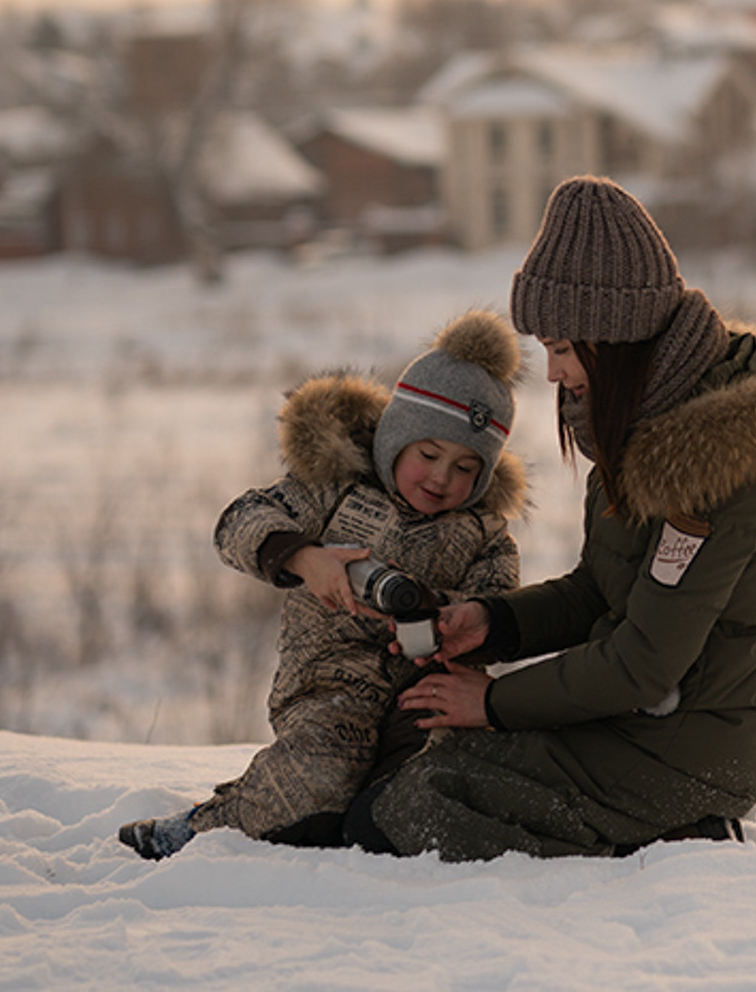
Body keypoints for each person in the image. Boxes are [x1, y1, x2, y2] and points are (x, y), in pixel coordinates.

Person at [346, 175, 756, 861]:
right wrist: (493, 624)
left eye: (563, 348)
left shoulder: (715, 465)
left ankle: (676, 837)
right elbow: (601, 590)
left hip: (693, 749)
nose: (555, 374)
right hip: (639, 721)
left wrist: (493, 703)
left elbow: (644, 664)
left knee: (410, 810)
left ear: (615, 338)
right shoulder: (645, 423)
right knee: (408, 774)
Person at [116, 309, 530, 858]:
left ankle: (365, 818)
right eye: (428, 455)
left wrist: (436, 611)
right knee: (317, 777)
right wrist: (307, 559)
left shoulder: (484, 533)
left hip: (429, 692)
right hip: (331, 687)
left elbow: (499, 610)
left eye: (464, 469)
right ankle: (205, 828)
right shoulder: (333, 489)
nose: (440, 478)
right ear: (394, 440)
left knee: (425, 792)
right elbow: (238, 523)